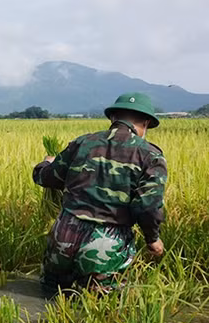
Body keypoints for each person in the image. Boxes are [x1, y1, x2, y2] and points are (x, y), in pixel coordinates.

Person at [33, 92, 167, 296]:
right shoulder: (151, 156)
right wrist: (153, 239)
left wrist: (46, 163)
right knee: (98, 305)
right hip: (106, 242)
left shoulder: (83, 143)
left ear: (113, 118)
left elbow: (47, 179)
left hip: (64, 235)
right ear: (146, 123)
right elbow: (147, 206)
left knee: (50, 295)